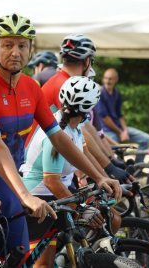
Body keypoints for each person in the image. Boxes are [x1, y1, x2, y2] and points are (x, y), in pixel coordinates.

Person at [0, 13, 121, 256]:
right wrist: (25, 196)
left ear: (30, 49)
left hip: (8, 185)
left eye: (22, 45)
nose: (15, 52)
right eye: (7, 45)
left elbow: (59, 137)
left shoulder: (31, 88)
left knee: (19, 255)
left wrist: (99, 176)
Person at [22, 76, 104, 267]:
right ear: (89, 109)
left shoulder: (75, 125)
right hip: (40, 198)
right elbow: (52, 182)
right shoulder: (60, 131)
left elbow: (83, 153)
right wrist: (81, 210)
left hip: (56, 197)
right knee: (43, 264)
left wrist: (104, 178)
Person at [39, 34, 131, 184]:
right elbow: (85, 136)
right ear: (87, 61)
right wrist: (108, 168)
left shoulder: (66, 81)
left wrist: (110, 160)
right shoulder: (67, 85)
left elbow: (88, 127)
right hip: (47, 166)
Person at [96, 68, 149, 163]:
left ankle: (136, 168)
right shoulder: (100, 93)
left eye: (110, 79)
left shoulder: (116, 93)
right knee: (114, 148)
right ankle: (113, 171)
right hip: (106, 131)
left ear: (116, 79)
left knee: (146, 138)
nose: (107, 81)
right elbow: (105, 118)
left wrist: (125, 130)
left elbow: (120, 115)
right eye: (105, 78)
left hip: (118, 129)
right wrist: (120, 132)